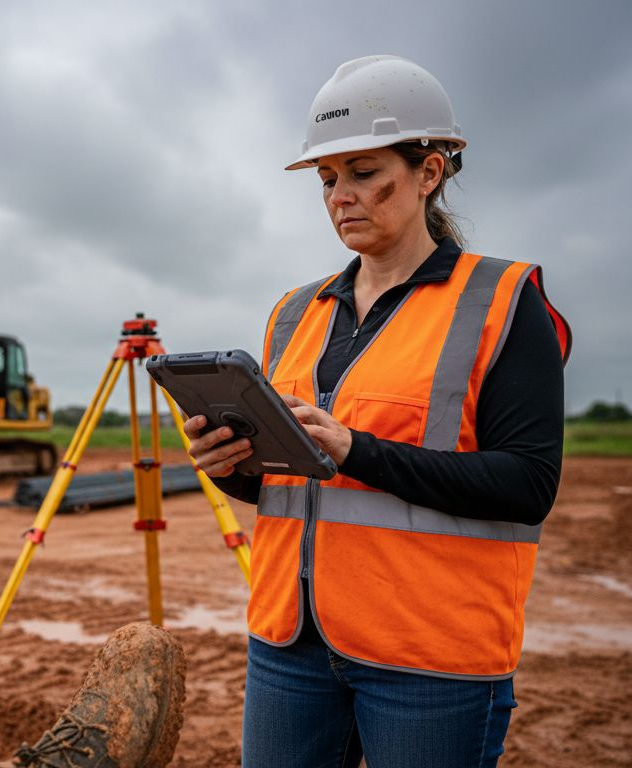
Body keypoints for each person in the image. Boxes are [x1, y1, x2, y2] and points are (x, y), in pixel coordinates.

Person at [184, 55, 571, 768]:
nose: (341, 197)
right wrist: (229, 468)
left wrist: (357, 450)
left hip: (429, 659)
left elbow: (528, 486)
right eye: (328, 180)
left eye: (364, 173)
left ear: (430, 172)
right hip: (289, 645)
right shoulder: (294, 313)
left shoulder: (504, 302)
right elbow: (288, 487)